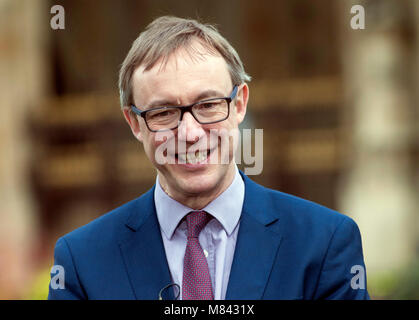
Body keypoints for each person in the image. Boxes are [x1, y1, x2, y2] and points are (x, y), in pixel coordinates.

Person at [48, 16, 369, 300]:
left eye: (208, 105)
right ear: (134, 122)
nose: (190, 133)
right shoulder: (82, 261)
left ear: (240, 103)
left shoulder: (324, 243)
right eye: (163, 112)